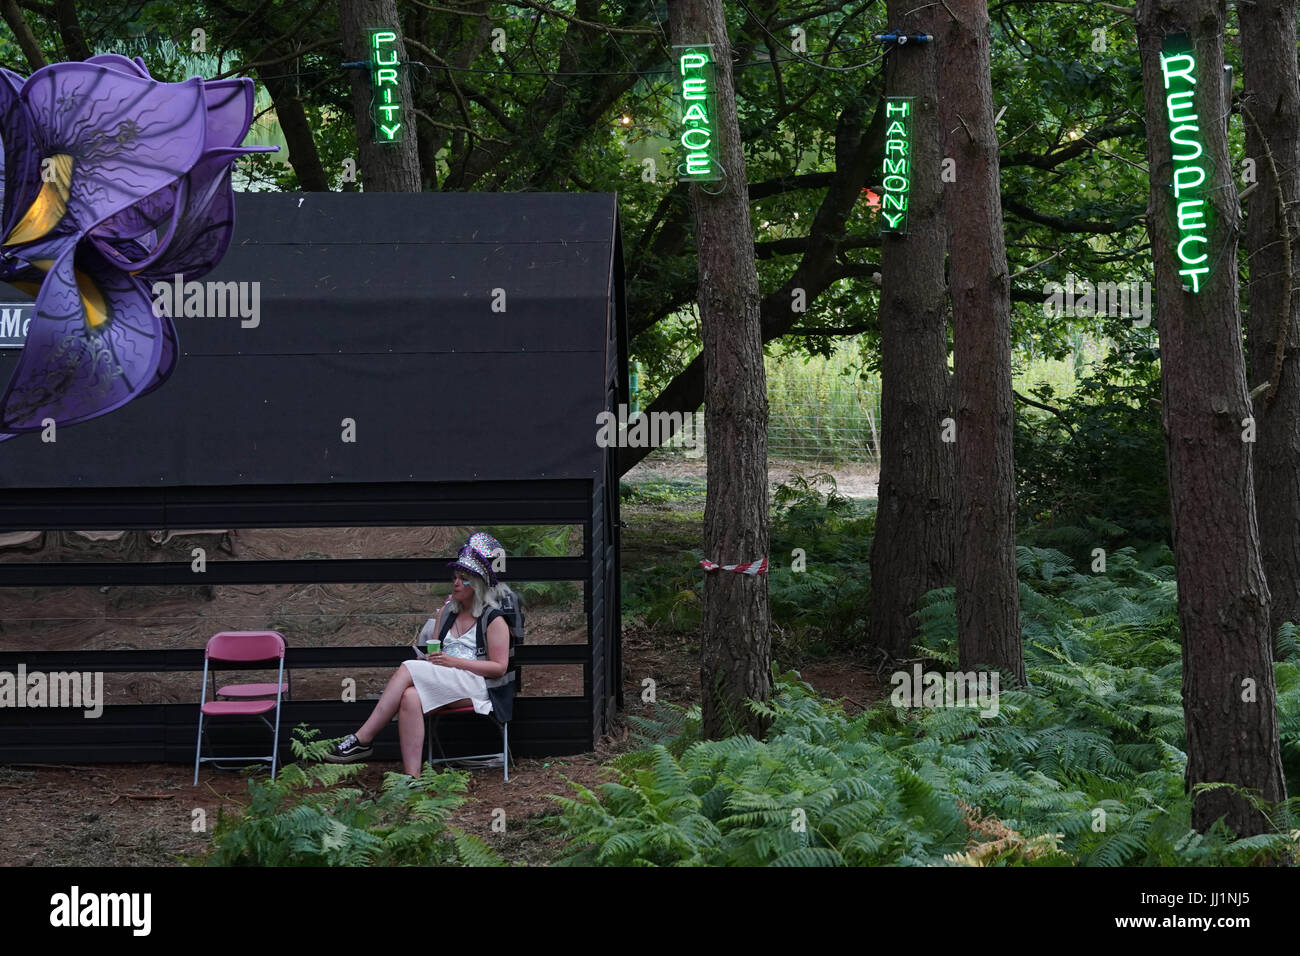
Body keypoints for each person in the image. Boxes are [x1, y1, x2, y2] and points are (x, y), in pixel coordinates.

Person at [324, 532, 514, 776]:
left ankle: (363, 738)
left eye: (463, 579)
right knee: (410, 697)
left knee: (407, 668)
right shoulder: (448, 613)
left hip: (479, 685)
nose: (455, 583)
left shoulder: (493, 619)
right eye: (455, 577)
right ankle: (411, 777)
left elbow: (499, 667)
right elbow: (435, 649)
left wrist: (451, 661)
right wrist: (430, 656)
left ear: (476, 585)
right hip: (448, 678)